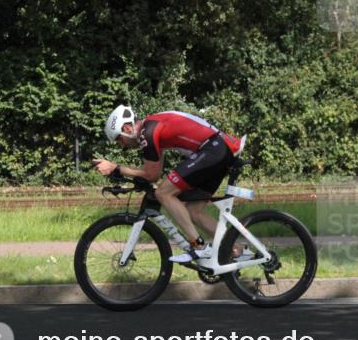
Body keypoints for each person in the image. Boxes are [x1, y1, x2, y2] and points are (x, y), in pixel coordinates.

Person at [94, 105, 247, 263]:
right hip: (218, 149)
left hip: (213, 149)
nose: (122, 145)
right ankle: (236, 249)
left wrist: (117, 168)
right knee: (194, 212)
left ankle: (198, 247)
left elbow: (151, 175)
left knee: (164, 193)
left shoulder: (148, 132)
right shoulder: (151, 129)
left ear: (127, 127)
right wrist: (124, 171)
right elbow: (154, 173)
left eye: (119, 139)